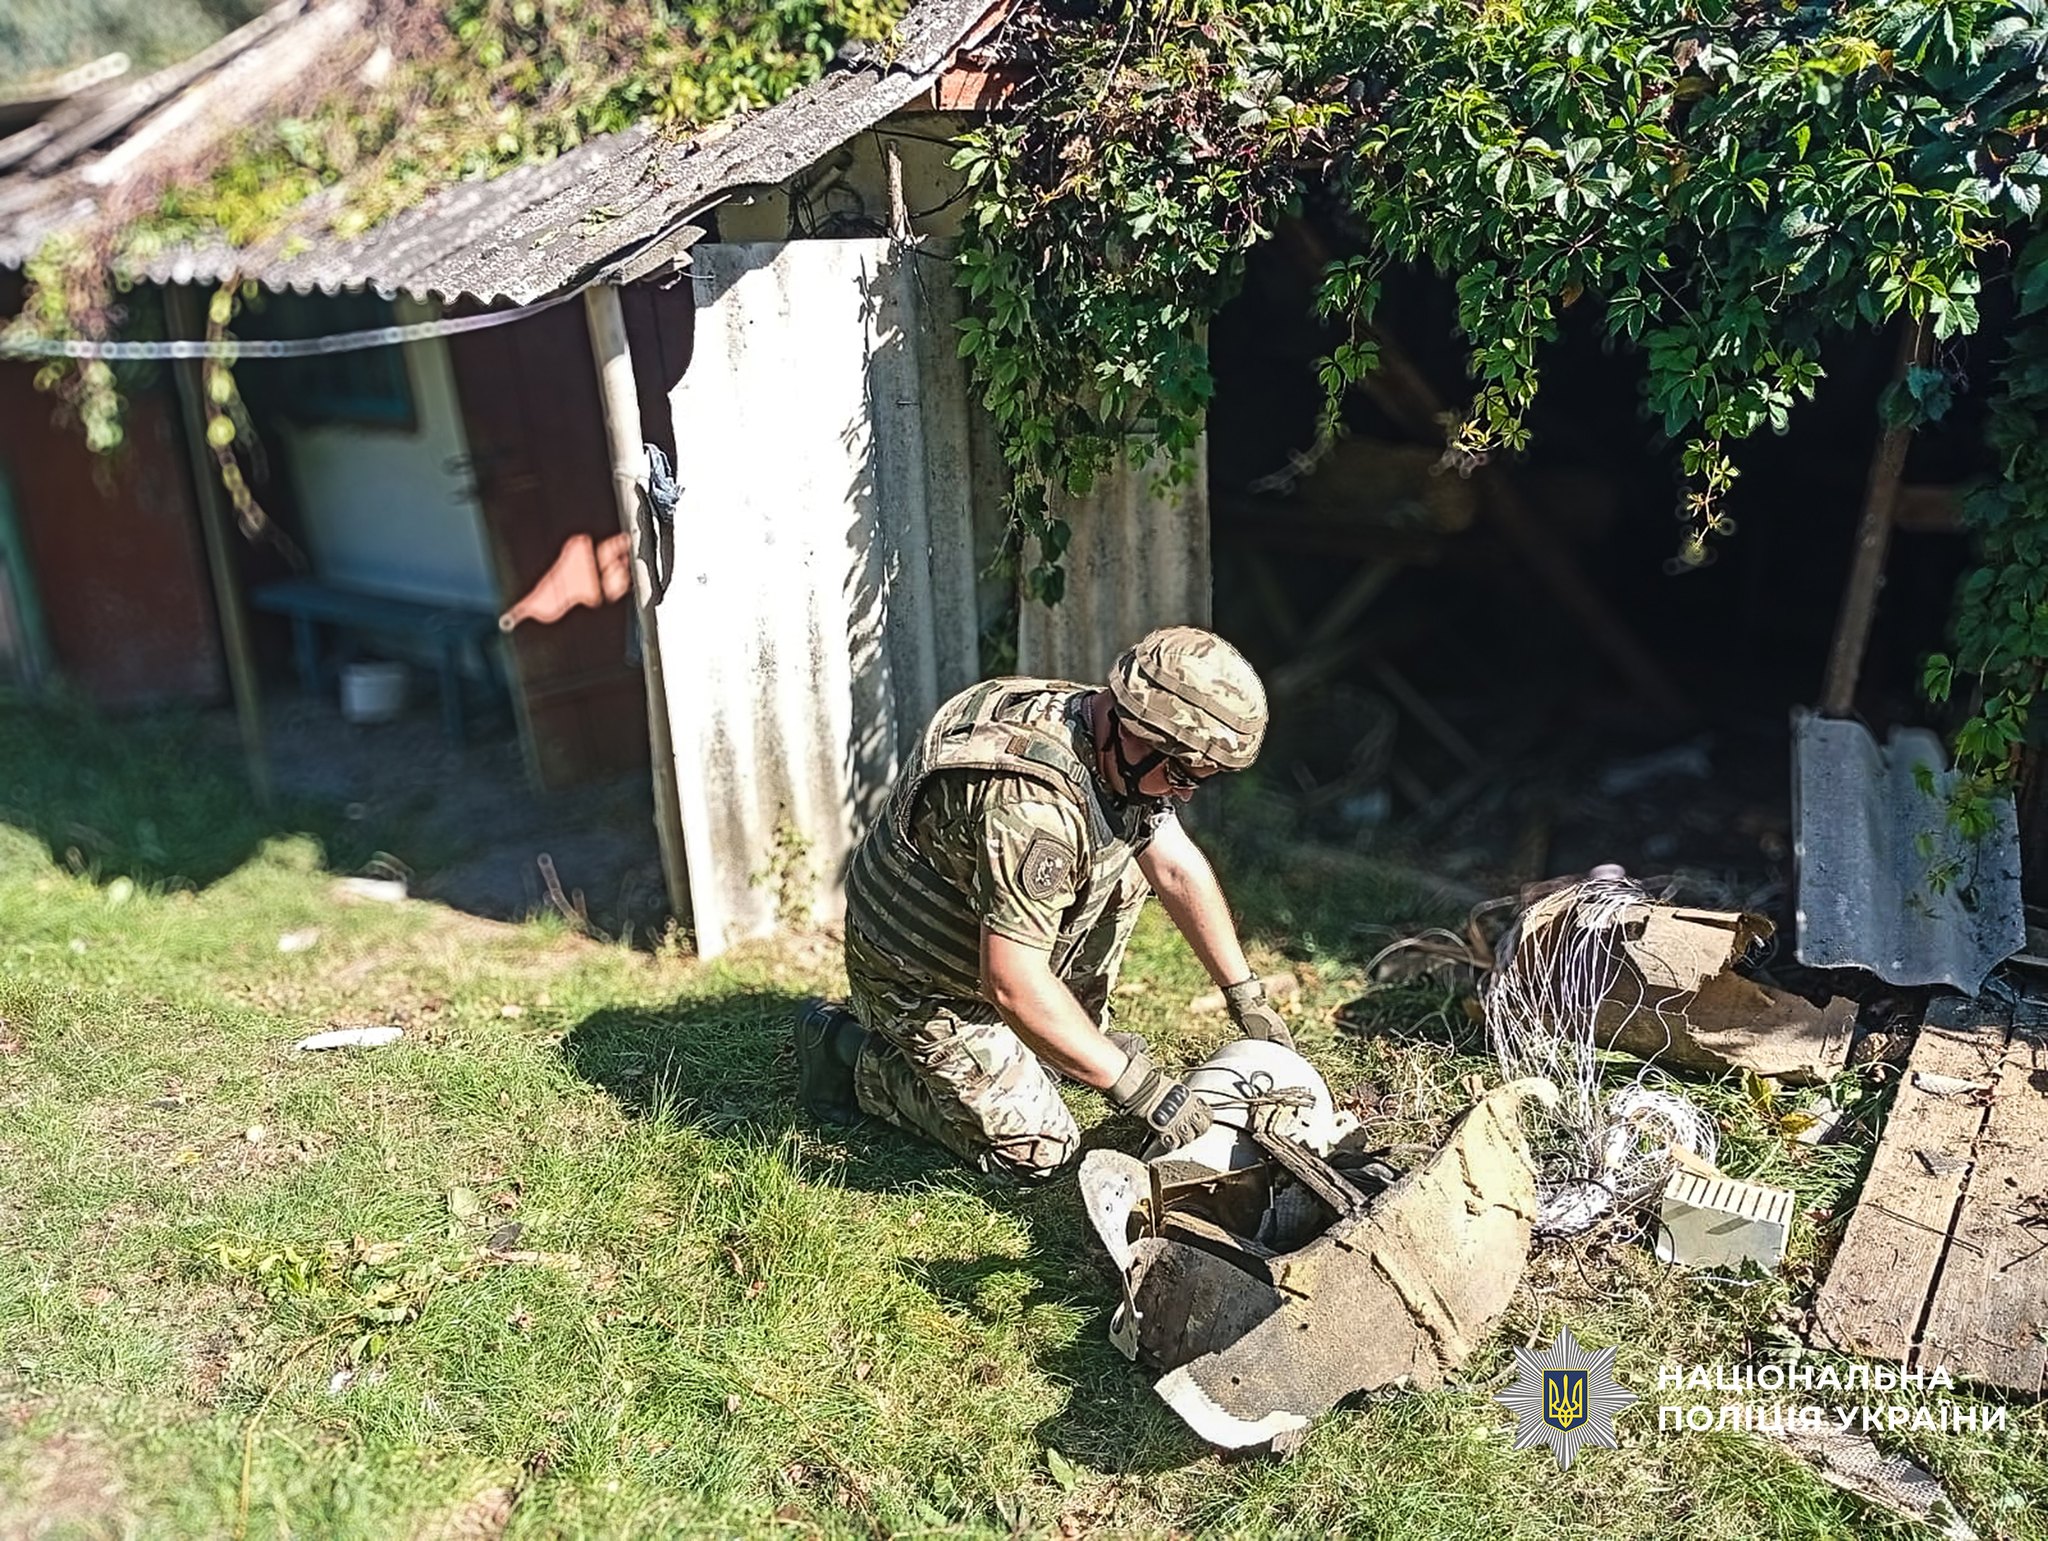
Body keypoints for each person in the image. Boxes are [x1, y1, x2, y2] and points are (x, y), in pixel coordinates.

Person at [796, 625, 1291, 1180]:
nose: (1185, 792)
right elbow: (1012, 983)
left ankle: (1060, 1043)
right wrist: (1138, 1087)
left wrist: (1245, 995)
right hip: (920, 978)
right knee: (1039, 1152)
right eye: (1179, 774)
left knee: (1128, 870)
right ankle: (847, 1053)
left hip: (986, 943)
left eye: (1201, 779)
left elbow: (1175, 868)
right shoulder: (1033, 808)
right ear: (1135, 732)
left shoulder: (1098, 727)